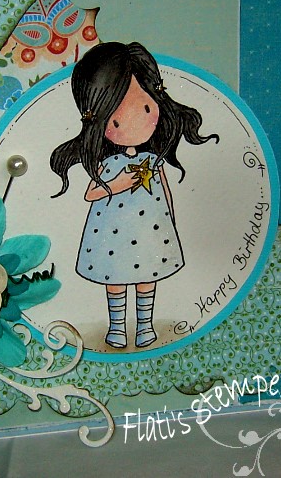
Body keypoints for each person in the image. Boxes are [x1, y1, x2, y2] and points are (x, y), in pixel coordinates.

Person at [50, 42, 218, 349]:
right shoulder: (109, 163)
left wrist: (171, 222)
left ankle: (144, 326)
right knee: (115, 280)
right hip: (113, 232)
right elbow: (91, 193)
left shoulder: (153, 160)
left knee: (146, 278)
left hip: (149, 230)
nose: (135, 123)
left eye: (146, 109)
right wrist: (119, 184)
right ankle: (117, 327)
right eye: (116, 120)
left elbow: (165, 192)